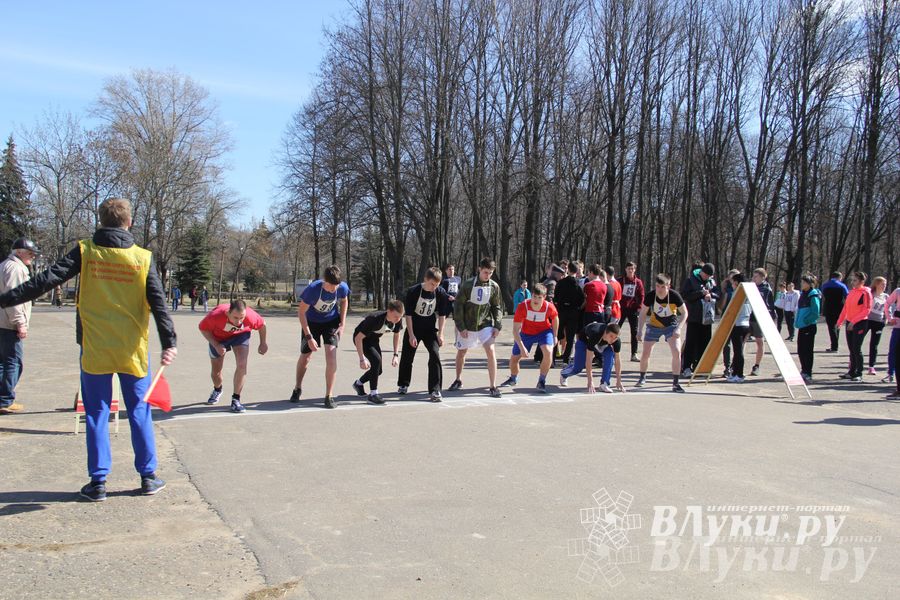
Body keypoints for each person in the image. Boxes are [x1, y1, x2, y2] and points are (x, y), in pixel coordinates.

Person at [0, 198, 177, 501]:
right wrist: (169, 341)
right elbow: (159, 303)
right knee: (138, 410)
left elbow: (46, 279)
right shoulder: (142, 258)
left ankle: (98, 483)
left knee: (96, 413)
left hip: (95, 347)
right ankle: (148, 477)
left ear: (101, 221)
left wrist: (6, 299)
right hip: (131, 349)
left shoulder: (86, 251)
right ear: (129, 222)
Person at [290, 265, 350, 409]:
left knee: (331, 355)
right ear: (324, 281)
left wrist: (342, 324)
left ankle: (329, 395)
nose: (333, 290)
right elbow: (301, 313)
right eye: (330, 287)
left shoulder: (342, 287)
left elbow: (344, 301)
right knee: (306, 357)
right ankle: (297, 387)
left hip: (331, 322)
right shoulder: (313, 290)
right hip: (311, 323)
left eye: (336, 287)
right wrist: (309, 337)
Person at [198, 299, 268, 413]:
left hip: (240, 336)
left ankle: (236, 399)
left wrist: (263, 342)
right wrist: (216, 345)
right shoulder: (216, 315)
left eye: (242, 318)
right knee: (216, 373)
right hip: (218, 338)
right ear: (228, 313)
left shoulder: (250, 316)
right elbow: (203, 328)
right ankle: (217, 389)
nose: (239, 321)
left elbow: (262, 325)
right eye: (235, 318)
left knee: (242, 365)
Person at [448, 257, 503, 397]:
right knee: (462, 352)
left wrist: (497, 325)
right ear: (479, 269)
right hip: (468, 325)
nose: (488, 275)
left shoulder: (494, 287)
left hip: (485, 324)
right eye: (485, 272)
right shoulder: (467, 285)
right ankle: (458, 379)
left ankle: (493, 386)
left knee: (491, 351)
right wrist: (461, 327)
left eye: (490, 272)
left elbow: (497, 306)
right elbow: (458, 306)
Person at [397, 267, 452, 401]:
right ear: (426, 280)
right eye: (432, 284)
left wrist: (441, 334)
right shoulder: (413, 291)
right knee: (407, 357)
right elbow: (408, 315)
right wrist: (411, 335)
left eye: (437, 285)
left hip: (429, 328)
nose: (434, 287)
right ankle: (403, 384)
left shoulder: (440, 292)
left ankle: (435, 390)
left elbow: (442, 314)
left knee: (435, 354)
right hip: (414, 326)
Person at [0, 238, 39, 414]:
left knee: (3, 362)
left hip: (3, 321)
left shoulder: (5, 265)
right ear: (19, 252)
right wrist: (20, 323)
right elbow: (14, 298)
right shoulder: (15, 268)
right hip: (8, 323)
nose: (33, 256)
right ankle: (5, 399)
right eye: (30, 253)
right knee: (13, 362)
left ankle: (3, 398)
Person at [500, 283, 558, 392]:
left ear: (544, 298)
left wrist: (555, 335)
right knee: (514, 359)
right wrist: (522, 348)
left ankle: (541, 381)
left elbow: (555, 319)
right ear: (531, 295)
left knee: (548, 351)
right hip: (526, 333)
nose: (536, 300)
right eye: (534, 296)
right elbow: (515, 330)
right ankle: (513, 378)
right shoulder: (523, 306)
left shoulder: (549, 307)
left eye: (539, 297)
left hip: (544, 332)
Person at [636, 274, 688, 393]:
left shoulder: (674, 296)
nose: (659, 289)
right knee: (645, 353)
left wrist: (679, 328)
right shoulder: (651, 296)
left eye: (662, 287)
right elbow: (643, 313)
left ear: (668, 286)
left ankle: (676, 383)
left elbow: (685, 313)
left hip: (671, 326)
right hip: (654, 325)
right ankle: (642, 377)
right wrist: (639, 330)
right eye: (657, 286)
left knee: (677, 351)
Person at [352, 300, 404, 405]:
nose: (397, 319)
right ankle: (373, 394)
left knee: (378, 370)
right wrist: (362, 359)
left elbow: (396, 335)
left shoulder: (397, 320)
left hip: (374, 340)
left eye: (400, 317)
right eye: (395, 316)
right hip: (362, 340)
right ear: (389, 311)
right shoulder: (374, 319)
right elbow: (358, 338)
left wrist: (395, 355)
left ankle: (358, 383)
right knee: (376, 361)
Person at [559, 322, 625, 394]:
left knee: (610, 355)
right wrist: (590, 381)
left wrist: (619, 380)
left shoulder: (616, 341)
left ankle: (604, 383)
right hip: (584, 342)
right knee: (578, 367)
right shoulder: (595, 333)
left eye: (615, 337)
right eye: (611, 336)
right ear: (606, 332)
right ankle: (564, 374)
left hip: (602, 345)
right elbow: (589, 360)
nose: (613, 340)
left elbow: (617, 360)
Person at [679, 263, 718, 377]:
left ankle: (700, 367)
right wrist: (701, 293)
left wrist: (711, 294)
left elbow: (718, 293)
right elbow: (685, 295)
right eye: (706, 275)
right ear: (702, 272)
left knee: (704, 343)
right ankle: (686, 367)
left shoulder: (711, 282)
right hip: (694, 317)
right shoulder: (691, 280)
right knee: (691, 342)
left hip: (707, 318)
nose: (707, 277)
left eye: (709, 276)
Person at [836, 271, 872, 382]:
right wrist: (839, 322)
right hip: (850, 322)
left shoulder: (865, 293)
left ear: (862, 281)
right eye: (852, 280)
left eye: (855, 280)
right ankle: (851, 372)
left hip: (860, 323)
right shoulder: (851, 292)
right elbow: (845, 308)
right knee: (851, 349)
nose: (853, 282)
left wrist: (854, 322)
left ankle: (859, 373)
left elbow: (867, 310)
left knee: (857, 348)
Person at [554, 262, 585, 365]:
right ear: (576, 272)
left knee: (558, 335)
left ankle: (552, 358)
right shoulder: (578, 284)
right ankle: (566, 360)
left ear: (568, 270)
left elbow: (556, 297)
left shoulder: (561, 282)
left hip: (561, 311)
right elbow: (582, 299)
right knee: (570, 337)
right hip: (573, 312)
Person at [795, 274, 822, 383]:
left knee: (807, 350)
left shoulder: (813, 295)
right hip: (802, 327)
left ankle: (808, 372)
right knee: (800, 350)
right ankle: (803, 370)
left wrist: (806, 321)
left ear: (809, 284)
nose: (801, 284)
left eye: (803, 282)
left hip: (809, 327)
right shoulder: (803, 294)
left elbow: (816, 312)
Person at [749, 268, 775, 376]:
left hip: (758, 319)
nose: (753, 279)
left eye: (756, 277)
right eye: (753, 276)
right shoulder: (749, 287)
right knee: (742, 341)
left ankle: (757, 366)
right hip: (748, 317)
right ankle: (735, 365)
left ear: (762, 277)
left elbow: (770, 306)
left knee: (759, 341)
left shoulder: (766, 289)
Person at [725, 273, 751, 383]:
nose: (732, 285)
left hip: (738, 325)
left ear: (736, 283)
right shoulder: (749, 294)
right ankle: (735, 372)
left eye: (733, 283)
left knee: (738, 351)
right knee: (738, 351)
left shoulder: (738, 294)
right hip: (745, 324)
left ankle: (739, 374)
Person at [619, 262, 644, 362]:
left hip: (633, 309)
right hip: (621, 308)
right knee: (616, 329)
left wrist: (639, 306)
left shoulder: (638, 282)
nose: (630, 270)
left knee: (634, 332)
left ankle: (634, 354)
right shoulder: (620, 280)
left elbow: (641, 295)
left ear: (635, 270)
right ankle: (612, 351)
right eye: (629, 268)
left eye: (632, 269)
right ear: (625, 269)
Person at [865, 276, 889, 376]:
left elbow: (888, 309)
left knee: (874, 344)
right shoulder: (870, 294)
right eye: (882, 284)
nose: (884, 286)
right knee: (857, 342)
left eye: (885, 284)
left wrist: (886, 319)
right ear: (876, 284)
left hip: (878, 323)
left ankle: (871, 366)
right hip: (867, 320)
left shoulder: (886, 296)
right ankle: (853, 361)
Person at [719, 269, 740, 377]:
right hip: (726, 319)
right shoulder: (726, 289)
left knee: (737, 345)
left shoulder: (741, 290)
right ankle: (727, 367)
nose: (733, 281)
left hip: (738, 321)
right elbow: (720, 307)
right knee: (726, 345)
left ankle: (734, 367)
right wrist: (725, 293)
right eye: (731, 278)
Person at [821, 272, 848, 352]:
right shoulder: (842, 285)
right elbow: (847, 296)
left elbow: (822, 295)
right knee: (838, 325)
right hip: (839, 308)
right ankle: (835, 345)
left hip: (828, 307)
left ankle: (834, 346)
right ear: (839, 277)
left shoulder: (825, 285)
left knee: (831, 327)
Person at [884, 284, 900, 384]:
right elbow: (887, 304)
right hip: (898, 327)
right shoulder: (898, 291)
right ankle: (891, 373)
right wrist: (890, 318)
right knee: (893, 350)